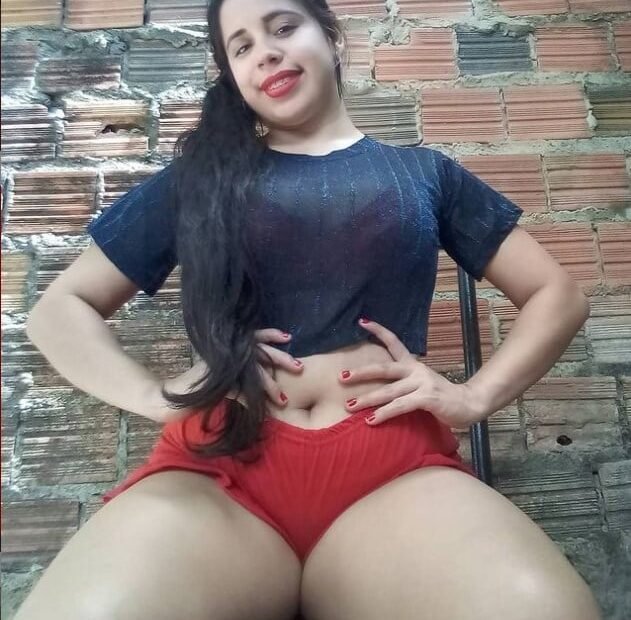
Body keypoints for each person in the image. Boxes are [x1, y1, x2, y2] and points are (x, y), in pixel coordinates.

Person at [17, 0, 603, 619]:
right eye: (242, 47)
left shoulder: (423, 173)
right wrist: (157, 397)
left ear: (331, 37)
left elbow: (556, 295)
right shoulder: (198, 181)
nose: (265, 52)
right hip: (219, 477)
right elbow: (59, 310)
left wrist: (472, 397)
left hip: (392, 474)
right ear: (233, 75)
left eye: (283, 27)